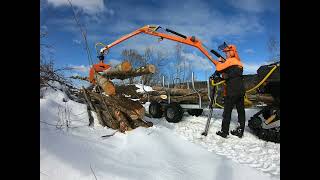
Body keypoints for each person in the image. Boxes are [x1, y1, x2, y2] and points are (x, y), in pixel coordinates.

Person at [213, 43, 246, 138]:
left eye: (227, 52)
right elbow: (232, 73)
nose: (226, 54)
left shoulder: (230, 61)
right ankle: (240, 131)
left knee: (227, 112)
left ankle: (224, 132)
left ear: (232, 52)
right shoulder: (239, 63)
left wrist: (219, 62)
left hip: (231, 91)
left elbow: (219, 68)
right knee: (241, 111)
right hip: (241, 91)